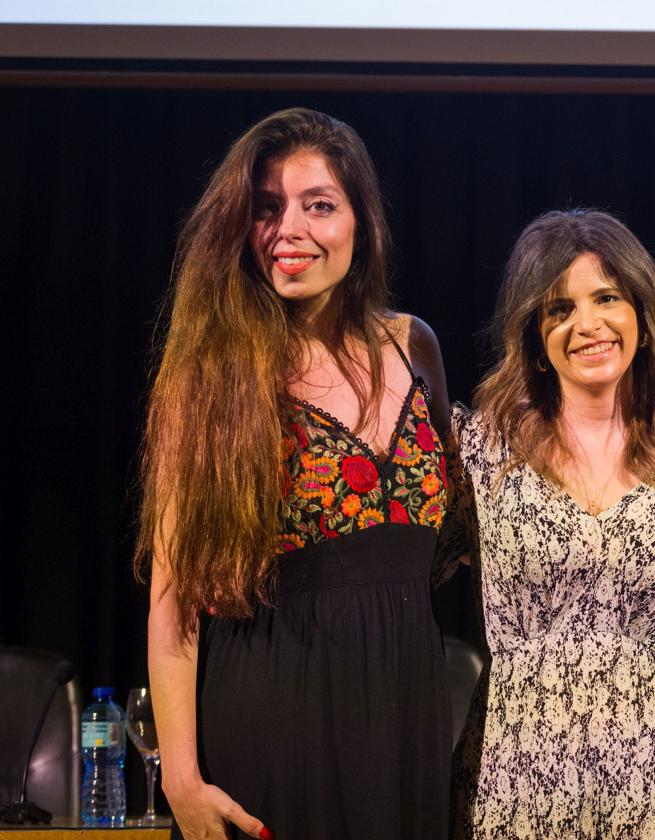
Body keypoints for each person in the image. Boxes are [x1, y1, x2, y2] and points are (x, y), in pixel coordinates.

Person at [138, 108, 455, 840]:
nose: (291, 231)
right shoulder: (212, 377)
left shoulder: (415, 348)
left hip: (407, 702)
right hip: (276, 705)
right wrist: (182, 778)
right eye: (267, 209)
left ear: (361, 222)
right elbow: (173, 595)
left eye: (320, 205)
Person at [445, 210, 655, 838]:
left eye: (607, 298)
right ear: (534, 334)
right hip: (513, 782)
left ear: (642, 316)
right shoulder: (479, 454)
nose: (588, 324)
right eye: (559, 309)